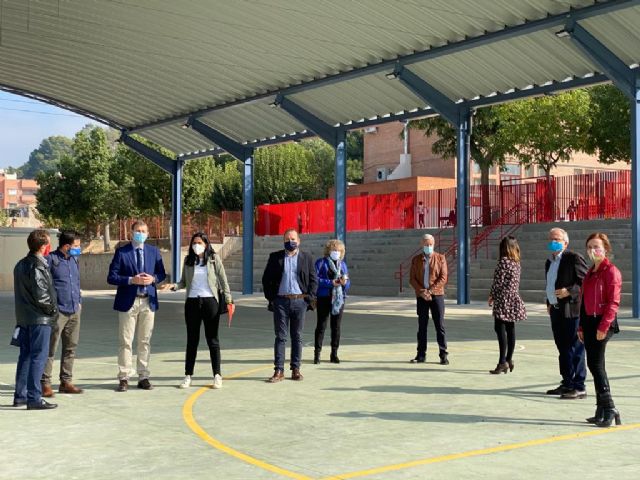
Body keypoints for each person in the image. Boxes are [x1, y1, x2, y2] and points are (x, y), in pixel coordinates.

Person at [107, 220, 166, 392]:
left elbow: (162, 273)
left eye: (143, 231)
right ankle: (124, 377)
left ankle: (143, 376)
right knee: (125, 341)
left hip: (148, 301)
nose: (141, 233)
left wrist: (153, 279)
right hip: (129, 302)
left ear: (148, 233)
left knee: (144, 341)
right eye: (138, 230)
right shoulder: (122, 252)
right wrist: (131, 280)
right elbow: (111, 277)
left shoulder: (153, 251)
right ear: (131, 233)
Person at [171, 232, 232, 389]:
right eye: (194, 243)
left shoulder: (213, 259)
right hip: (192, 302)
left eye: (199, 243)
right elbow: (183, 282)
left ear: (206, 244)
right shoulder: (188, 260)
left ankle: (217, 375)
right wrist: (174, 286)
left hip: (210, 302)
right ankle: (188, 375)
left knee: (213, 340)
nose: (196, 245)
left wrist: (229, 299)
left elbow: (223, 280)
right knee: (192, 340)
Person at [262, 229, 317, 382]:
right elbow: (266, 279)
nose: (290, 241)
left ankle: (296, 369)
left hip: (300, 301)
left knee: (297, 336)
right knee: (280, 336)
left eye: (293, 239)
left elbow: (314, 280)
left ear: (298, 241)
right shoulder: (275, 257)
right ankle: (279, 370)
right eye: (287, 239)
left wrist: (309, 299)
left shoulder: (306, 258)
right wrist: (272, 298)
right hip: (281, 301)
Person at [579, 233, 622, 427]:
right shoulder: (590, 272)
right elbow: (583, 301)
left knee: (595, 365)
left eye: (596, 246)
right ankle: (601, 409)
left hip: (603, 321)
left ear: (605, 248)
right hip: (589, 321)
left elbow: (613, 302)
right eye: (589, 247)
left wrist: (604, 326)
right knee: (596, 365)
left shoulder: (611, 271)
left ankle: (610, 407)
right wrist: (581, 325)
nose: (593, 250)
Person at [13, 229, 58, 410]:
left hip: (24, 318)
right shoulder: (38, 266)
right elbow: (41, 296)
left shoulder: (20, 264)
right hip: (39, 318)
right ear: (42, 246)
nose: (50, 246)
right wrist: (53, 310)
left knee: (25, 356)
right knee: (39, 357)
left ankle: (20, 396)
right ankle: (34, 398)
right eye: (48, 242)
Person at [544, 227, 588, 399]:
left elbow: (585, 282)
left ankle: (579, 386)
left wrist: (569, 291)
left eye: (557, 239)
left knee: (575, 348)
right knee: (562, 348)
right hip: (556, 310)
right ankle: (567, 382)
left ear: (565, 243)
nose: (553, 242)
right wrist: (549, 302)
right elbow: (549, 284)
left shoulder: (573, 258)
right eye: (551, 239)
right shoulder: (549, 262)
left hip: (572, 311)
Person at [41, 230, 84, 397]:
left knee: (71, 347)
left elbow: (76, 282)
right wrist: (52, 307)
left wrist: (79, 301)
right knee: (50, 348)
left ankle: (66, 381)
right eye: (76, 246)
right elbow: (43, 285)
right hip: (58, 312)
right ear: (66, 246)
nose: (79, 249)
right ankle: (45, 383)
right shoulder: (50, 260)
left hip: (74, 310)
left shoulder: (74, 260)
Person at [487, 236, 526, 374]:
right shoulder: (516, 263)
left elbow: (498, 282)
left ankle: (502, 361)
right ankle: (509, 359)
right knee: (510, 329)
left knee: (500, 329)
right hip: (513, 297)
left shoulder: (503, 262)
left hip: (503, 298)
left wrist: (492, 295)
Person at [408, 233, 449, 365]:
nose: (428, 246)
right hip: (421, 296)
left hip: (437, 296)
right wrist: (422, 291)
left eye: (430, 244)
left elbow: (443, 278)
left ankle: (443, 354)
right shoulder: (416, 260)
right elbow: (412, 279)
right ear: (422, 244)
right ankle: (421, 354)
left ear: (434, 244)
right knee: (422, 326)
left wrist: (430, 291)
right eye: (426, 244)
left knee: (440, 325)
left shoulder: (440, 258)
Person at [314, 239, 350, 364]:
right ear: (328, 251)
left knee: (336, 327)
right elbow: (315, 279)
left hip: (338, 299)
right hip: (324, 297)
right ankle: (317, 354)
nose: (336, 252)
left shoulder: (343, 265)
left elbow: (348, 282)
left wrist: (344, 283)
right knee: (321, 325)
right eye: (334, 250)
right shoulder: (320, 262)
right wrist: (330, 283)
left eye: (338, 250)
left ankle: (334, 354)